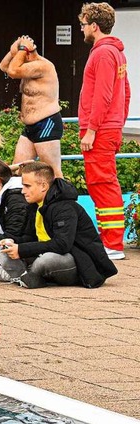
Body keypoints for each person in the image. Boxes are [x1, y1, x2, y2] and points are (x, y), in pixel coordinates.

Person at [0, 162, 117, 289]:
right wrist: (13, 242)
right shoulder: (34, 205)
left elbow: (62, 245)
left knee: (46, 261)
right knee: (2, 251)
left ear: (43, 186)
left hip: (78, 262)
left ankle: (24, 276)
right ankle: (27, 278)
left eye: (27, 186)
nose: (23, 191)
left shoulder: (64, 207)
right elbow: (29, 238)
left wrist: (21, 250)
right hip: (44, 254)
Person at [77, 2, 130, 261]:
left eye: (84, 24)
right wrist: (117, 123)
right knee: (102, 182)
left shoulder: (102, 53)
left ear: (94, 26)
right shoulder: (116, 53)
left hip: (100, 130)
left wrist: (92, 130)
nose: (82, 29)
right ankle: (110, 240)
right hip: (109, 127)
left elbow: (103, 95)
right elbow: (125, 93)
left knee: (102, 183)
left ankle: (112, 243)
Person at [0, 35, 64, 179]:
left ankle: (64, 199)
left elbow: (13, 71)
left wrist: (23, 48)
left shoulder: (43, 66)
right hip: (30, 127)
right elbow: (4, 67)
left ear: (27, 53)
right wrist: (13, 49)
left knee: (52, 171)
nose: (17, 59)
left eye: (20, 55)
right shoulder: (26, 68)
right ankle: (20, 201)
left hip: (47, 123)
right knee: (19, 169)